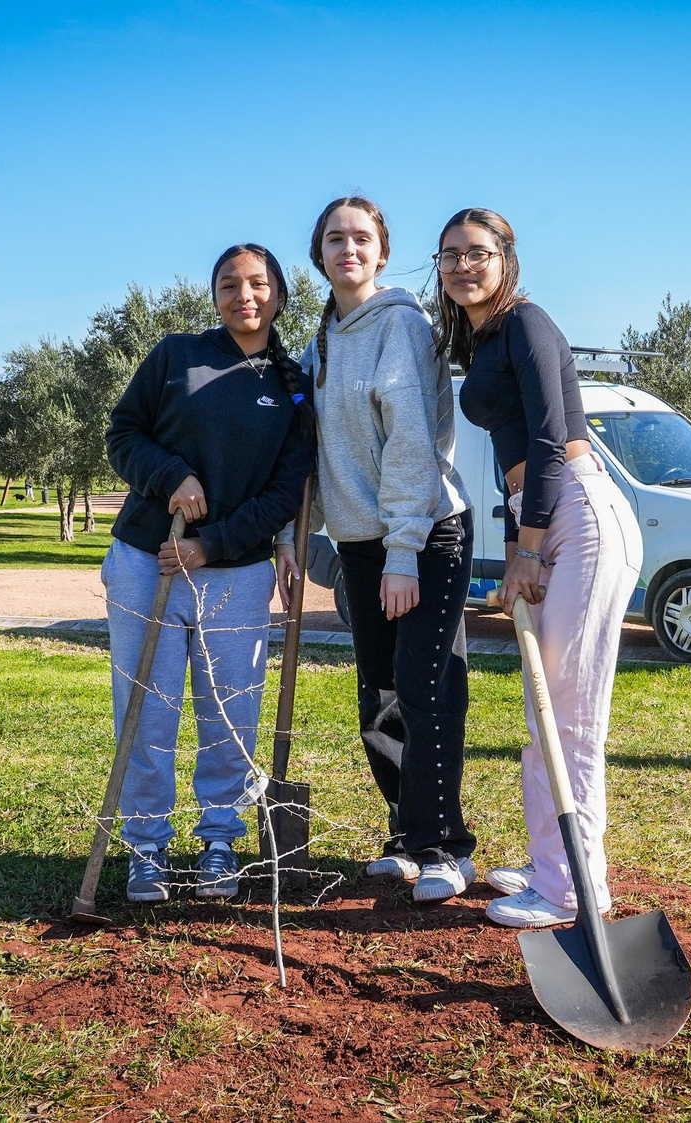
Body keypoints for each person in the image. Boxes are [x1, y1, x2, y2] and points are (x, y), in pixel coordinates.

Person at [440, 208, 643, 928]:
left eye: (478, 253)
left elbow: (553, 441)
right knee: (547, 707)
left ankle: (568, 891)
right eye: (451, 255)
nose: (464, 266)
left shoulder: (526, 323)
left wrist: (527, 549)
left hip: (577, 517)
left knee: (571, 715)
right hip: (550, 514)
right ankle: (555, 864)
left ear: (506, 258)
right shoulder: (489, 334)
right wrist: (522, 541)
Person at [276, 197, 475, 902]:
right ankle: (406, 833)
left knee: (426, 689)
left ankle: (448, 846)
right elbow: (312, 448)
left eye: (361, 238)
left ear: (383, 252)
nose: (348, 248)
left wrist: (401, 552)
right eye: (335, 238)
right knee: (380, 696)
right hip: (359, 540)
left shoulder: (402, 326)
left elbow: (413, 447)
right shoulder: (322, 338)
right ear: (319, 253)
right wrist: (290, 535)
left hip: (425, 533)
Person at [104, 243, 317, 903]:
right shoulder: (175, 355)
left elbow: (287, 492)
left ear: (279, 294)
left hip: (235, 570)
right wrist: (172, 475)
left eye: (257, 284)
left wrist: (212, 544)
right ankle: (146, 846)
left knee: (229, 714)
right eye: (230, 284)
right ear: (215, 294)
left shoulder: (292, 385)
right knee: (147, 710)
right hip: (148, 560)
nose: (243, 296)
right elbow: (123, 433)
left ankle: (219, 839)